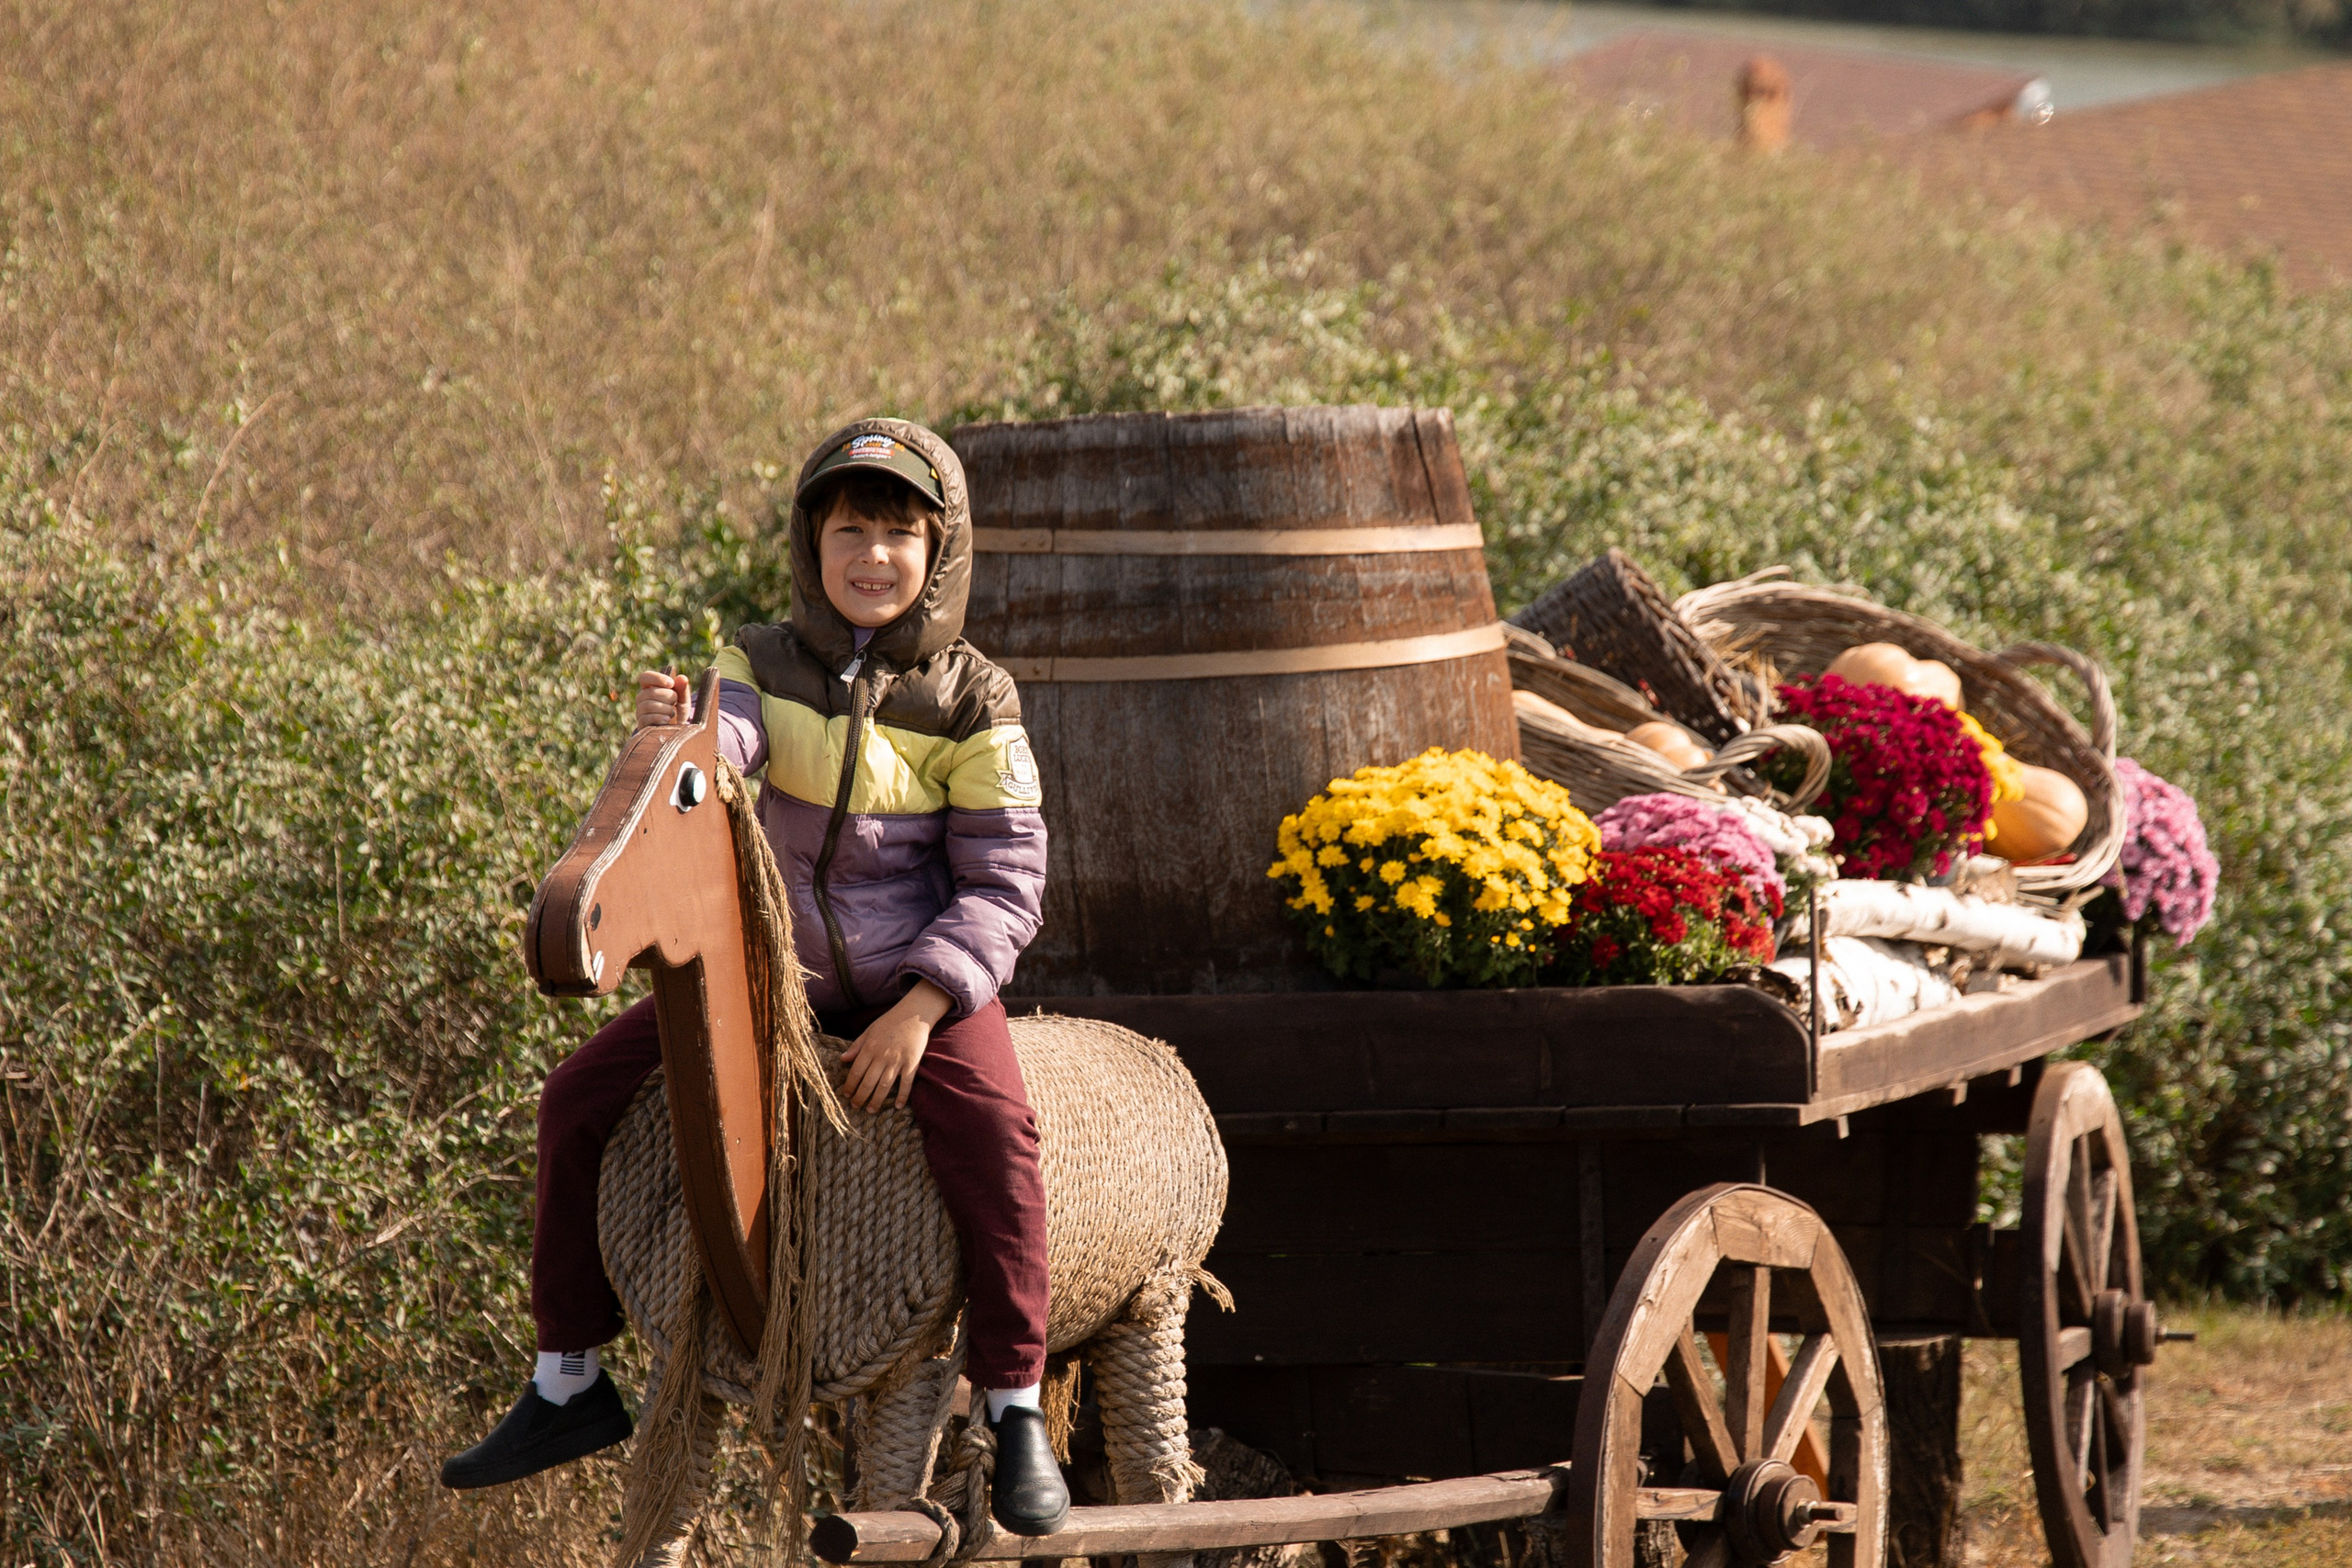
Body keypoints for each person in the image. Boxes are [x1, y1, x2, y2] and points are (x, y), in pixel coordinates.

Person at [439, 419, 1066, 1536]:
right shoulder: (761, 662)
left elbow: (1007, 882)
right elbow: (717, 761)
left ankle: (1014, 1402)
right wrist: (671, 743)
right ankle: (566, 1378)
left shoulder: (976, 699)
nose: (872, 557)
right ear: (812, 542)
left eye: (899, 537)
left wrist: (923, 1009)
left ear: (942, 554)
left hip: (908, 978)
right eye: (851, 530)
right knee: (575, 1097)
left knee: (999, 1128)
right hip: (775, 972)